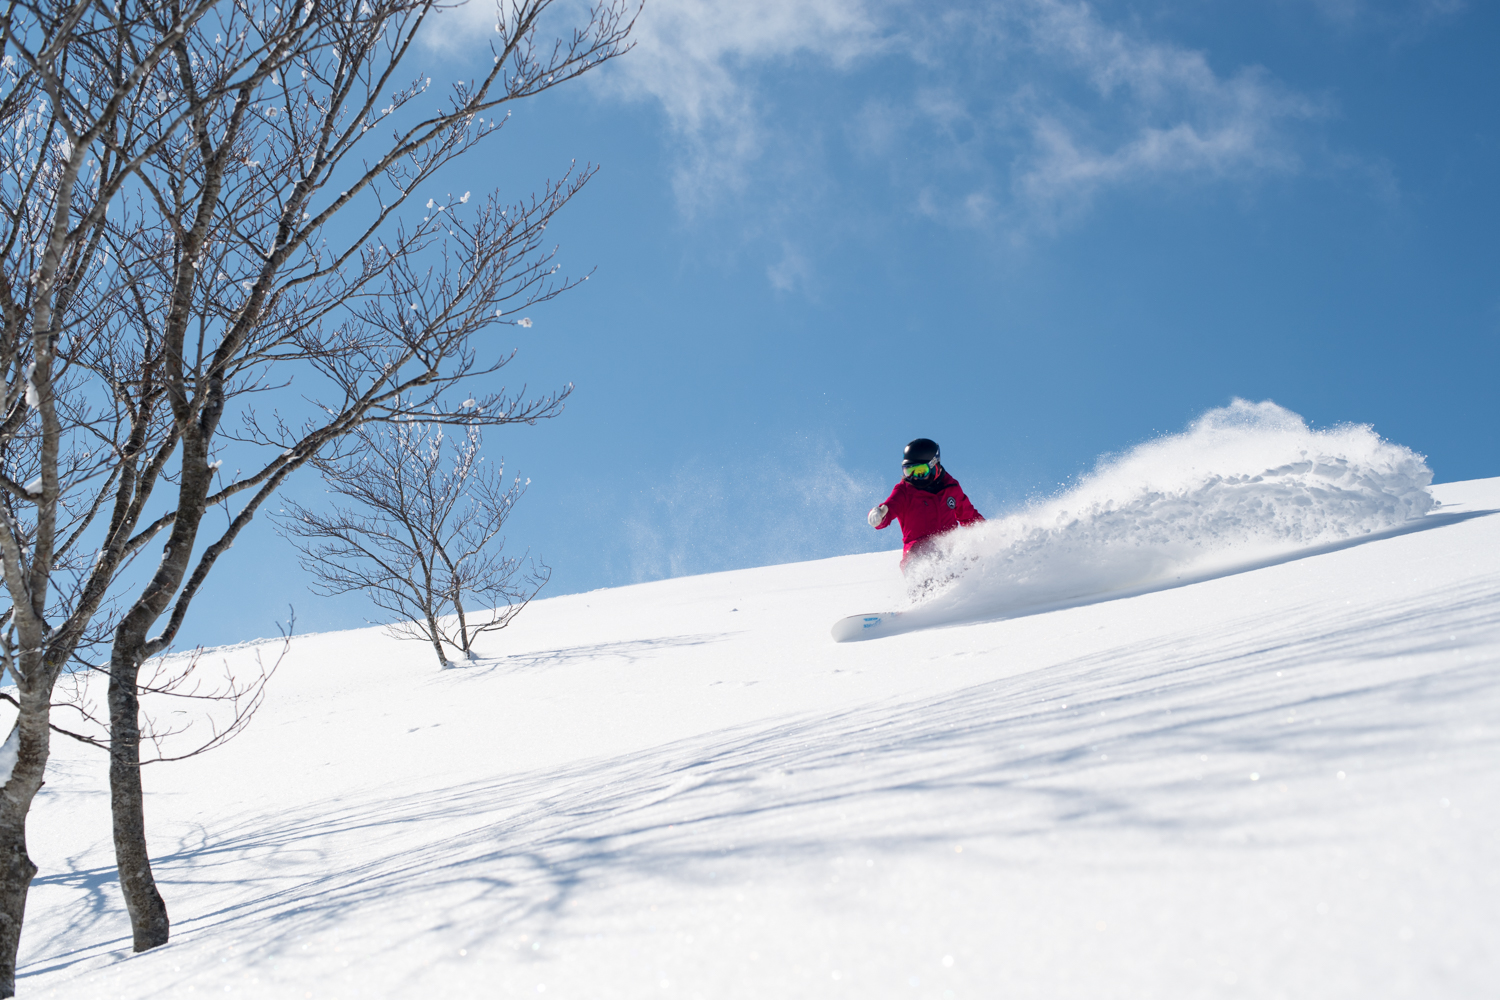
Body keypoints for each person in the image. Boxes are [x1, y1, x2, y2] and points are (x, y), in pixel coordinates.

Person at [868, 438, 984, 570]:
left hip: (949, 551)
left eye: (920, 471)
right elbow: (890, 507)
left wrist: (989, 535)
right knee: (926, 564)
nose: (914, 477)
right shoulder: (904, 491)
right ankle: (925, 582)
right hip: (916, 554)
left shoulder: (951, 488)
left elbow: (970, 517)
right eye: (908, 471)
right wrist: (879, 516)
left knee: (973, 557)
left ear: (935, 466)